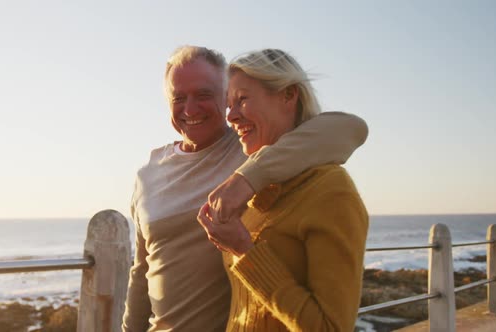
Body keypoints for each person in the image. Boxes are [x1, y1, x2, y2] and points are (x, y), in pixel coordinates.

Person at [122, 46, 368, 332]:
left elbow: (351, 128)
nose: (190, 109)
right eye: (179, 98)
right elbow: (142, 272)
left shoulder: (251, 148)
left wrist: (247, 176)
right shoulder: (148, 174)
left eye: (204, 95)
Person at [198, 49, 369, 331]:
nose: (231, 117)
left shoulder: (331, 191)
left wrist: (244, 251)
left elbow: (331, 327)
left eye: (242, 100)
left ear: (289, 95)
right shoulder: (253, 188)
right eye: (229, 105)